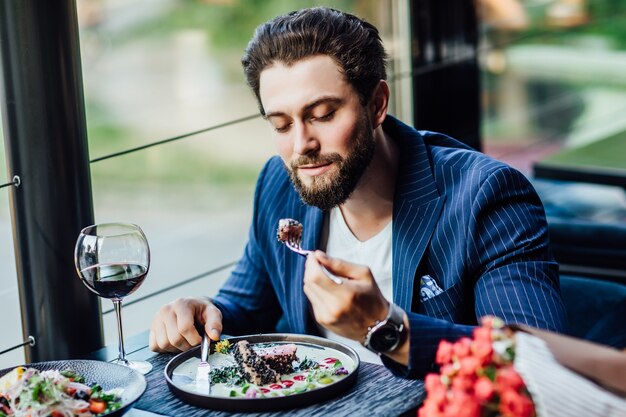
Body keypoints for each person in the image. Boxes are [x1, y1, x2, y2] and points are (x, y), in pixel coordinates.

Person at [149, 6, 566, 379]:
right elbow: (247, 304)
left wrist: (386, 327)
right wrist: (204, 312)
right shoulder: (279, 184)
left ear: (377, 104)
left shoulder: (486, 195)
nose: (301, 146)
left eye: (323, 115)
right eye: (280, 124)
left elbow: (533, 364)